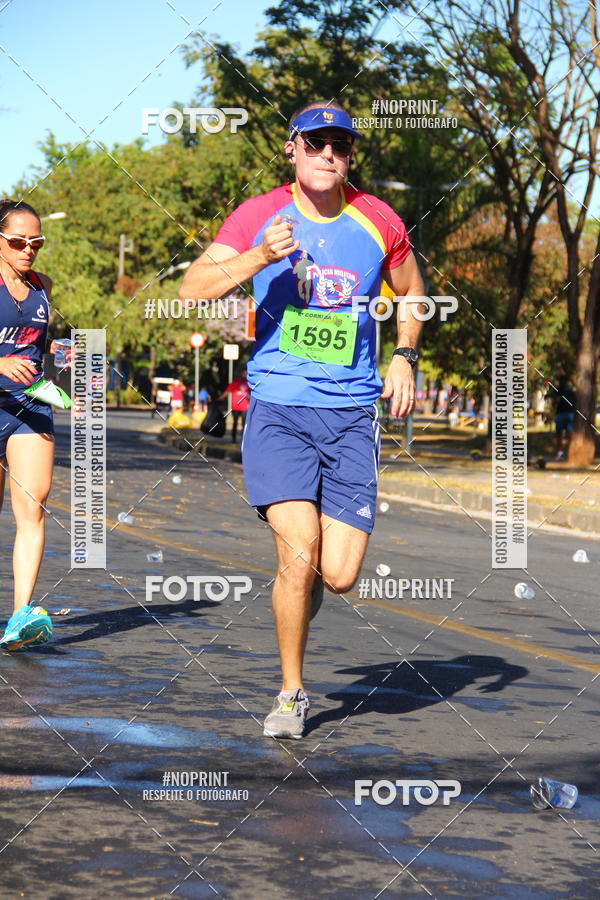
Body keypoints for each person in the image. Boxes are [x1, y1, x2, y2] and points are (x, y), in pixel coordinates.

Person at [180, 100, 425, 738]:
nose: (327, 155)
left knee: (336, 575)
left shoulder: (379, 219)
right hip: (280, 408)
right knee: (298, 554)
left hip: (350, 413)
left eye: (338, 146)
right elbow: (193, 289)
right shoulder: (260, 214)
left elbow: (414, 293)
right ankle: (292, 694)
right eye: (314, 144)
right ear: (292, 149)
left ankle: (307, 589)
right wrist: (259, 256)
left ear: (349, 156)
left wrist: (403, 356)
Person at [0, 199, 56, 650]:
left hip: (30, 407)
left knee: (32, 507)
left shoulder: (43, 288)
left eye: (35, 241)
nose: (28, 249)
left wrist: (58, 382)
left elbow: (44, 349)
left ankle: (20, 616)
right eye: (18, 241)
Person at [220, 367, 250, 443]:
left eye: (246, 374)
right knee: (235, 423)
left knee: (244, 424)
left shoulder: (248, 383)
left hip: (244, 407)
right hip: (235, 407)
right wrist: (219, 399)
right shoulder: (235, 383)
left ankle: (244, 440)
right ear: (241, 374)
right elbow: (227, 392)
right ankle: (233, 439)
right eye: (244, 373)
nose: (245, 375)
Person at [553, 374, 575, 460]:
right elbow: (556, 401)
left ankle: (569, 453)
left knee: (568, 434)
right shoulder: (558, 390)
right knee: (560, 434)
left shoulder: (569, 390)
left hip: (567, 414)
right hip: (562, 413)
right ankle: (560, 453)